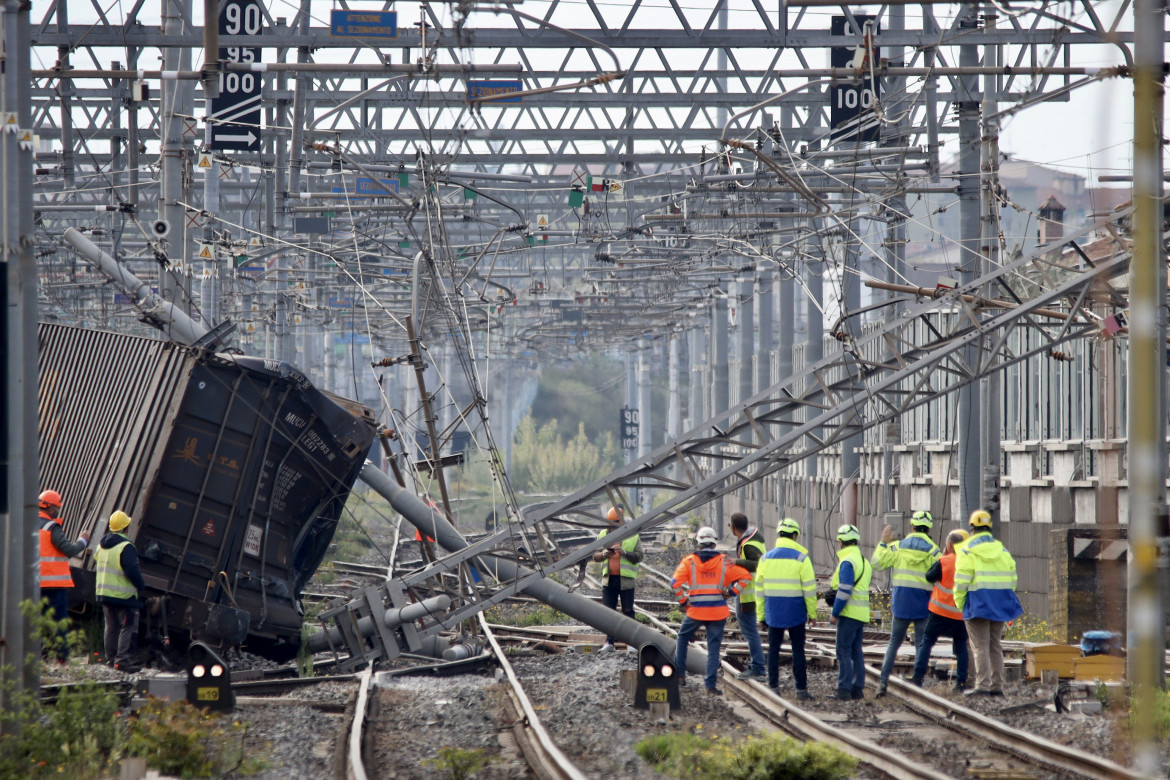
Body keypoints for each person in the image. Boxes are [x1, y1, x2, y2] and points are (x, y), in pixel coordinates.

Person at [671, 527, 752, 695]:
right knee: (713, 648)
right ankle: (710, 685)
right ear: (715, 544)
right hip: (717, 612)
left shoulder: (689, 561)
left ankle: (679, 675)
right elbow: (746, 577)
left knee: (682, 638)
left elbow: (675, 584)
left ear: (698, 543)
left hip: (695, 611)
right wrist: (731, 593)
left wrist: (684, 602)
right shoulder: (725, 562)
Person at [953, 509, 1022, 697]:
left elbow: (961, 582)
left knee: (980, 646)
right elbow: (1012, 579)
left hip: (977, 604)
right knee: (995, 645)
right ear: (989, 528)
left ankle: (982, 686)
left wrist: (960, 604)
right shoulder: (1002, 550)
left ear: (972, 529)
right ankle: (997, 686)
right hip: (999, 604)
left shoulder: (967, 550)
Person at [871, 509, 940, 696]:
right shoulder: (934, 551)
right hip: (924, 605)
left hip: (901, 603)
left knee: (894, 643)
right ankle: (918, 684)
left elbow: (877, 564)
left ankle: (883, 685)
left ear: (912, 527)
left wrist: (883, 543)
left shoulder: (897, 547)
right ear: (929, 529)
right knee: (921, 645)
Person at [755, 518, 817, 699]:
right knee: (798, 650)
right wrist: (812, 614)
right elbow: (809, 590)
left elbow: (759, 591)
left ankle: (773, 687)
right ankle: (801, 690)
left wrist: (761, 615)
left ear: (778, 535)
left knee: (773, 649)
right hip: (796, 611)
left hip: (773, 611)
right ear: (795, 535)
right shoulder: (802, 559)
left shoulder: (765, 559)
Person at [911, 529, 971, 692]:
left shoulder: (944, 561)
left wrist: (943, 556)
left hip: (939, 612)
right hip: (960, 614)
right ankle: (961, 683)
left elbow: (929, 577)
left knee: (927, 643)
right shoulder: (968, 562)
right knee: (961, 648)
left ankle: (917, 678)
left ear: (950, 545)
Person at [37, 490, 91, 662]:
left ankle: (31, 656)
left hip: (32, 583)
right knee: (59, 622)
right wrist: (83, 541)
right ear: (50, 507)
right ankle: (61, 658)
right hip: (52, 585)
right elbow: (69, 550)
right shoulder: (51, 527)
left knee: (34, 621)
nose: (58, 510)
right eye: (57, 507)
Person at [95, 510, 147, 674]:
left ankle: (111, 660)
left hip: (105, 593)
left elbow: (98, 560)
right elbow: (131, 569)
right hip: (124, 596)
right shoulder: (126, 547)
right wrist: (141, 585)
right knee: (128, 626)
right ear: (126, 527)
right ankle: (122, 661)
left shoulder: (101, 545)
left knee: (111, 627)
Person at [830, 523, 872, 701]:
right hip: (861, 613)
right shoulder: (863, 561)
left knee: (843, 651)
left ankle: (844, 689)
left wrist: (835, 612)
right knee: (856, 652)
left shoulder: (848, 562)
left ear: (841, 542)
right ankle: (857, 689)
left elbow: (845, 589)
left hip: (849, 613)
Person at [592, 506, 643, 653]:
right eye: (611, 523)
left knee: (628, 611)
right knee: (609, 613)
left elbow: (639, 556)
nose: (613, 526)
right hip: (609, 580)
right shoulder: (603, 534)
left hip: (626, 581)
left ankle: (632, 643)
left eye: (616, 522)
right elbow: (594, 555)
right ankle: (609, 642)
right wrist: (604, 555)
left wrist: (625, 553)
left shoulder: (632, 535)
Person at [729, 512, 767, 681]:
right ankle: (757, 666)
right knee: (750, 631)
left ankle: (758, 667)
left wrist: (736, 563)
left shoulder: (749, 544)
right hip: (749, 593)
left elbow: (759, 564)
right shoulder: (751, 541)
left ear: (733, 527)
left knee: (750, 632)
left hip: (748, 595)